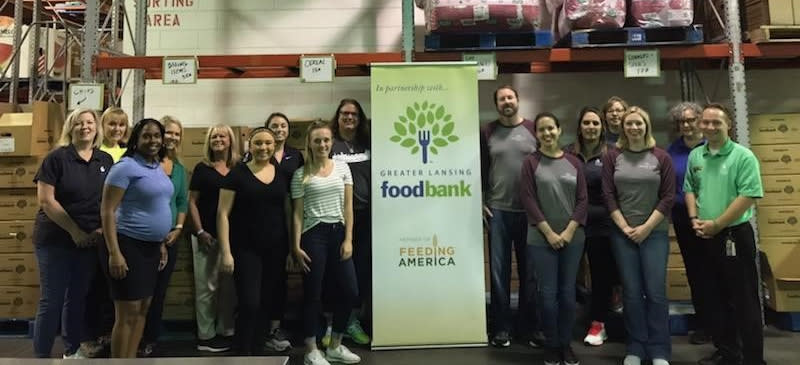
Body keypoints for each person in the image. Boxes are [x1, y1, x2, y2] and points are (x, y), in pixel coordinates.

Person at [686, 104, 765, 365]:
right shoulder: (697, 156)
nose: (710, 127)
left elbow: (749, 195)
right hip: (706, 236)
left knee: (744, 300)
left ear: (728, 124)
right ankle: (727, 352)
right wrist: (694, 219)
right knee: (715, 298)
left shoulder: (743, 156)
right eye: (705, 122)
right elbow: (689, 188)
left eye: (716, 122)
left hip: (734, 236)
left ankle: (753, 358)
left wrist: (718, 223)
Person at [32, 108, 113, 359]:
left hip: (88, 241)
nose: (85, 127)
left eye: (90, 122)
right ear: (70, 128)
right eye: (79, 123)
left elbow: (108, 201)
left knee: (77, 298)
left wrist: (101, 228)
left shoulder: (105, 160)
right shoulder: (56, 158)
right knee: (52, 300)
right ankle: (41, 357)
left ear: (97, 128)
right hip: (55, 239)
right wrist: (75, 231)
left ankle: (72, 351)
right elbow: (46, 201)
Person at [602, 106, 675, 365]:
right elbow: (608, 195)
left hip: (653, 233)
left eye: (638, 124)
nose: (634, 128)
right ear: (623, 128)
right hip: (623, 234)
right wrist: (624, 227)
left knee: (655, 292)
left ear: (646, 126)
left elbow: (668, 196)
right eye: (629, 124)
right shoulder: (613, 157)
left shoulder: (661, 157)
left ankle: (659, 350)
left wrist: (645, 228)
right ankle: (635, 347)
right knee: (631, 293)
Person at [99, 118, 174, 358]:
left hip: (151, 248)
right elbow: (108, 210)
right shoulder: (125, 167)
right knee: (128, 312)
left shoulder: (157, 167)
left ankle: (129, 360)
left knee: (143, 309)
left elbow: (158, 205)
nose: (153, 141)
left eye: (157, 136)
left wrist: (160, 242)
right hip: (126, 244)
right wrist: (114, 252)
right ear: (136, 139)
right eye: (147, 136)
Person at [520, 113, 588, 365]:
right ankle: (551, 344)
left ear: (559, 131)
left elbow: (583, 200)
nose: (547, 133)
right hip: (541, 239)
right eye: (541, 130)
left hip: (573, 238)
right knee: (547, 295)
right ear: (536, 134)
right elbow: (528, 199)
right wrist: (549, 232)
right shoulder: (530, 163)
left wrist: (568, 231)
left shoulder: (574, 162)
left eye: (551, 128)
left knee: (568, 294)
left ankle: (565, 344)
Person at [217, 128, 291, 355]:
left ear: (274, 145)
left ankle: (258, 348)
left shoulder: (281, 175)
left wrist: (291, 250)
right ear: (250, 145)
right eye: (258, 143)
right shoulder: (237, 174)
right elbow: (222, 214)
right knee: (250, 302)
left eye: (268, 143)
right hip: (246, 249)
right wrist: (226, 252)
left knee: (267, 302)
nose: (264, 148)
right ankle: (242, 350)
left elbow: (288, 212)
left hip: (276, 249)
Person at [292, 121, 360, 365]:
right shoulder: (301, 174)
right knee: (313, 294)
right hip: (313, 236)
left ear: (332, 142)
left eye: (326, 140)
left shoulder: (342, 168)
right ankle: (311, 350)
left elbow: (348, 207)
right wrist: (295, 246)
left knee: (351, 291)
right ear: (309, 143)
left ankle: (335, 346)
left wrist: (349, 239)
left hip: (339, 233)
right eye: (317, 140)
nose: (322, 144)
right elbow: (297, 214)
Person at [479, 85, 539, 347]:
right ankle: (501, 328)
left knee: (530, 273)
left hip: (529, 211)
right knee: (499, 273)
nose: (506, 101)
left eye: (510, 97)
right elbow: (480, 168)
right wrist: (481, 201)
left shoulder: (534, 128)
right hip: (498, 211)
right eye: (502, 98)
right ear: (496, 104)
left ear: (517, 101)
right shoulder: (488, 132)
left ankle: (529, 327)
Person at [565, 107, 618, 346]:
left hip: (602, 226)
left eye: (595, 123)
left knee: (601, 276)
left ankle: (598, 324)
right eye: (586, 123)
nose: (591, 127)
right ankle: (568, 322)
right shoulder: (567, 154)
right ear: (580, 127)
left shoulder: (612, 154)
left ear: (602, 127)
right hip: (572, 225)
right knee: (569, 277)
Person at [138, 116, 189, 356]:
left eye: (177, 134)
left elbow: (182, 202)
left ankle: (150, 339)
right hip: (145, 239)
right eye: (168, 132)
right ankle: (133, 337)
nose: (172, 137)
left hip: (171, 239)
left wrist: (178, 228)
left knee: (159, 293)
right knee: (141, 291)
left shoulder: (179, 169)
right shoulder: (145, 165)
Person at [83, 107, 130, 357]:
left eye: (121, 125)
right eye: (112, 124)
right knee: (98, 286)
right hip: (101, 227)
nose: (116, 129)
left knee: (120, 288)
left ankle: (117, 336)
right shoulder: (98, 153)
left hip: (126, 228)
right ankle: (97, 334)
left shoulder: (129, 153)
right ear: (103, 125)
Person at [188, 124, 239, 352]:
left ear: (230, 141)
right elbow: (192, 202)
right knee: (206, 287)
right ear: (209, 142)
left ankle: (226, 331)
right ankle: (205, 336)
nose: (218, 139)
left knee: (229, 288)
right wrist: (200, 232)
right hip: (205, 235)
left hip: (233, 238)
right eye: (214, 136)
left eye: (222, 136)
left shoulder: (239, 168)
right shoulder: (202, 169)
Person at [665, 102, 711, 346]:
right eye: (681, 122)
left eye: (690, 120)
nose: (686, 125)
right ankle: (705, 325)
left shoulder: (712, 146)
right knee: (696, 273)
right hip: (684, 220)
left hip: (714, 220)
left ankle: (724, 324)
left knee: (718, 273)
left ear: (700, 120)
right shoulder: (673, 150)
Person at [329, 99, 371, 346]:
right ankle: (332, 325)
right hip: (337, 217)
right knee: (335, 273)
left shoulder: (368, 143)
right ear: (338, 116)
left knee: (360, 272)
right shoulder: (330, 144)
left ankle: (352, 321)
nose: (349, 118)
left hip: (366, 216)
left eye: (354, 114)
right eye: (344, 113)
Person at [263, 112, 304, 352]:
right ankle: (260, 328)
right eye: (274, 126)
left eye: (283, 126)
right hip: (261, 221)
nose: (279, 129)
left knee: (279, 280)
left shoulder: (295, 156)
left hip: (288, 221)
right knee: (260, 280)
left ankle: (275, 328)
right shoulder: (257, 152)